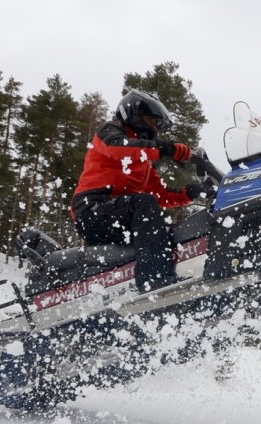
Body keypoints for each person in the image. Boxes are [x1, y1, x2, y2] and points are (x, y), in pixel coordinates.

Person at [71, 89, 203, 292]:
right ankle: (155, 281)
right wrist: (166, 148)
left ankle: (158, 279)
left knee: (160, 226)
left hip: (118, 212)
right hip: (91, 210)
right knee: (144, 204)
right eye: (151, 120)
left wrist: (188, 194)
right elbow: (122, 148)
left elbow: (161, 195)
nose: (155, 127)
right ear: (134, 115)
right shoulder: (109, 133)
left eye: (157, 123)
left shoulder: (143, 163)